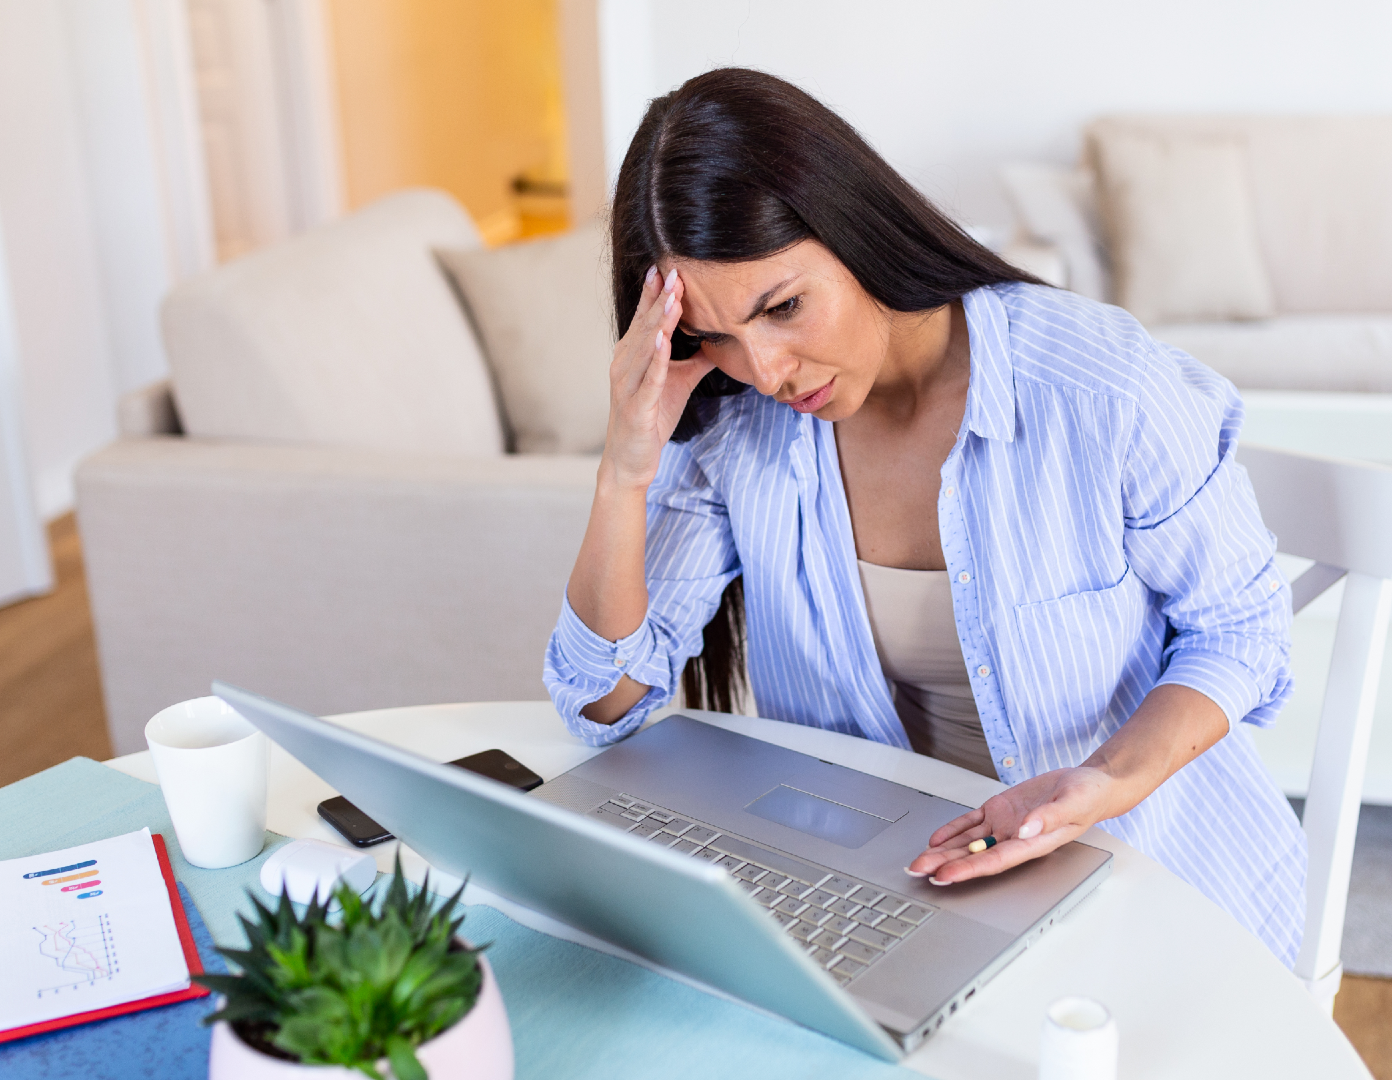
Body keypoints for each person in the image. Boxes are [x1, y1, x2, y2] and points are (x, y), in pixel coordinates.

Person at [542, 68, 1306, 965]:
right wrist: (625, 471)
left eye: (783, 308)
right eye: (715, 337)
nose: (767, 370)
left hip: (1149, 877)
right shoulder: (735, 428)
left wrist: (1098, 784)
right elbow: (604, 700)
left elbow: (1244, 632)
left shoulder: (1100, 390)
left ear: (855, 230)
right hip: (890, 900)